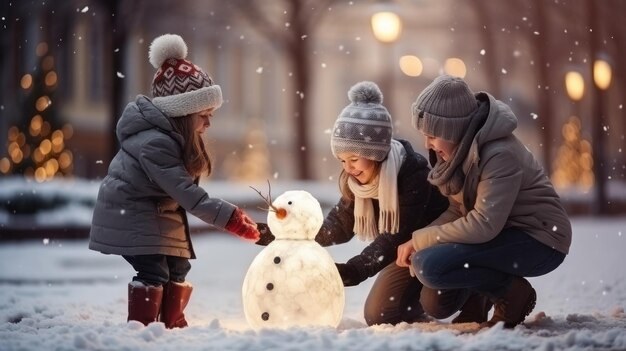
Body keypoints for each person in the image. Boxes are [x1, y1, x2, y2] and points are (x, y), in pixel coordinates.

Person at [258, 81, 488, 326]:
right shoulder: (357, 181)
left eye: (354, 159)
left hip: (436, 246)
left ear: (376, 154)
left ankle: (478, 289)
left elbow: (395, 236)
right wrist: (281, 235)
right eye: (342, 160)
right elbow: (338, 226)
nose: (348, 168)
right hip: (404, 255)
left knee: (439, 303)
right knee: (380, 315)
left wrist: (355, 270)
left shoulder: (412, 175)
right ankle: (413, 300)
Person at [89, 34, 260, 329]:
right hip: (134, 215)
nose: (209, 123)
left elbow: (182, 190)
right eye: (203, 115)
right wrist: (230, 217)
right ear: (182, 114)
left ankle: (171, 321)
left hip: (154, 215)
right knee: (154, 271)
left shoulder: (173, 140)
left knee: (178, 266)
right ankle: (141, 328)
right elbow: (186, 192)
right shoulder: (155, 143)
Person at [396, 74, 572, 328]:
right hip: (501, 233)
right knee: (435, 300)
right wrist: (421, 237)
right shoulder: (460, 152)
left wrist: (421, 240)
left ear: (452, 129)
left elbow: (483, 224)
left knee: (430, 266)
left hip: (540, 239)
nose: (427, 144)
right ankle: (479, 299)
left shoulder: (499, 154)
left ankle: (513, 295)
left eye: (432, 135)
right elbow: (459, 209)